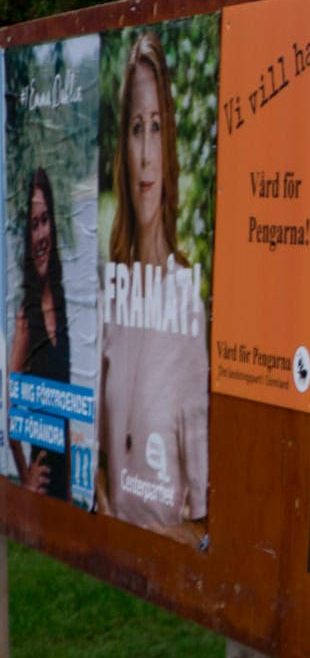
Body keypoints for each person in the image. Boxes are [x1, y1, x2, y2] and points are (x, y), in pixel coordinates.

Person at [95, 31, 210, 541]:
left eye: (157, 128)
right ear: (122, 143)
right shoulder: (109, 291)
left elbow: (204, 519)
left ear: (170, 144)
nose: (145, 154)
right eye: (136, 128)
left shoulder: (187, 299)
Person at [8, 169, 72, 501]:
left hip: (68, 487)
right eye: (33, 225)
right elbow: (7, 413)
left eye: (45, 220)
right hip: (43, 486)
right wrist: (25, 479)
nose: (41, 233)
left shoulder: (63, 304)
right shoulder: (26, 318)